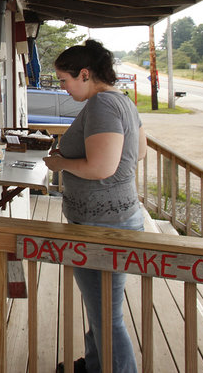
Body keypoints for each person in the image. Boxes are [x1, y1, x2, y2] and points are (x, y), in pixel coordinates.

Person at [43, 40, 147, 373]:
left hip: (104, 226)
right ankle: (94, 365)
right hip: (114, 219)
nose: (63, 87)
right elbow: (140, 151)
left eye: (64, 79)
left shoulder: (102, 105)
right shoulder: (122, 101)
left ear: (85, 74)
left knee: (107, 317)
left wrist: (61, 164)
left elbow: (103, 167)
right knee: (100, 309)